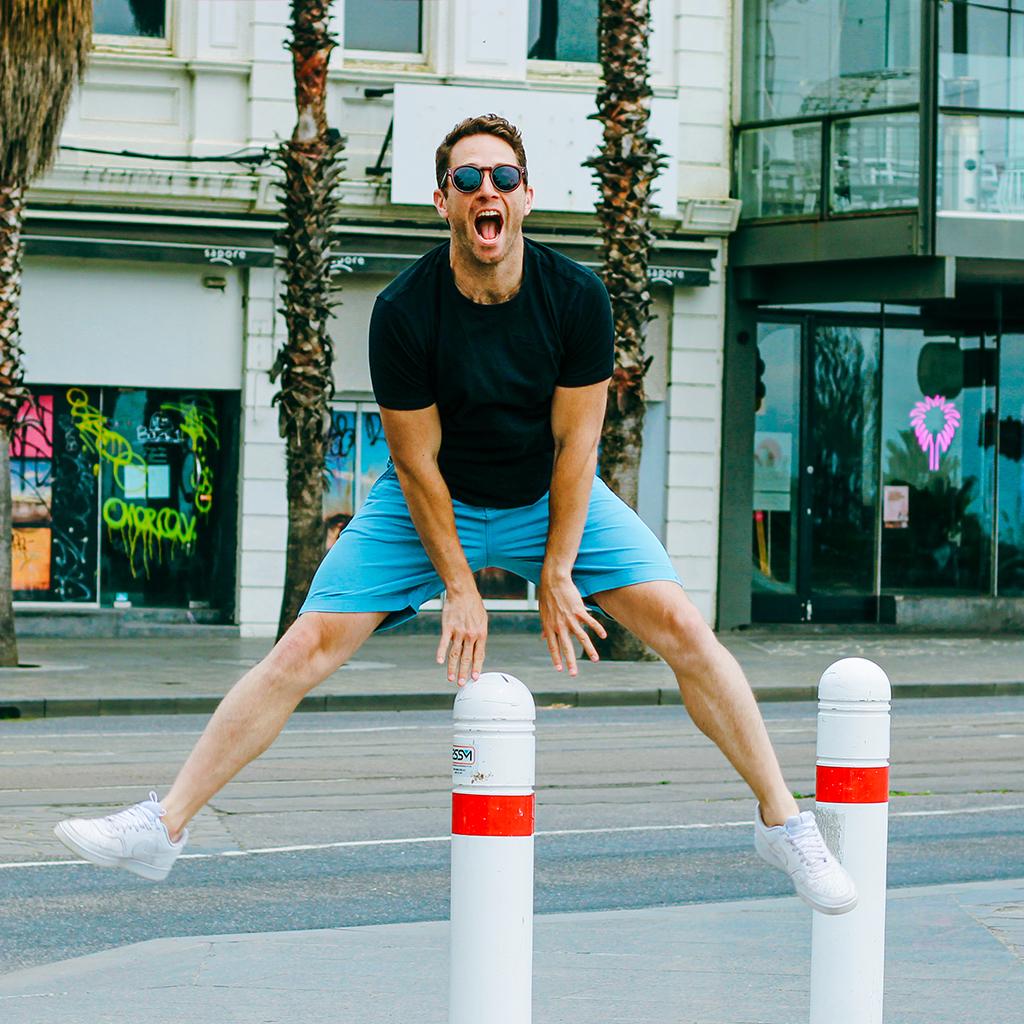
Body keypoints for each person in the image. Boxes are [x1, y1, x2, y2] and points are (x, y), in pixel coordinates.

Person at [55, 114, 856, 915]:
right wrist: (460, 585)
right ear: (443, 200)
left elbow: (578, 450)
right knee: (303, 647)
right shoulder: (406, 311)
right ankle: (164, 827)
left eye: (503, 177)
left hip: (550, 496)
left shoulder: (575, 298)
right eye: (468, 179)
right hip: (428, 503)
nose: (487, 190)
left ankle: (783, 823)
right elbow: (413, 463)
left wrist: (556, 568)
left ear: (527, 197)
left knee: (685, 630)